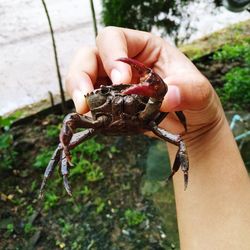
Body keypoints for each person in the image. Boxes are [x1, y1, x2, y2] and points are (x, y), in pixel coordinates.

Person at [65, 27, 250, 249]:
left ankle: (180, 172)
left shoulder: (154, 108)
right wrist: (203, 134)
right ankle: (62, 174)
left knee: (180, 141)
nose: (122, 98)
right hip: (101, 123)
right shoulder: (91, 113)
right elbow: (70, 122)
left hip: (145, 118)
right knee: (66, 135)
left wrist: (197, 132)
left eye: (129, 92)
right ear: (95, 96)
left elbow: (175, 122)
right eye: (106, 94)